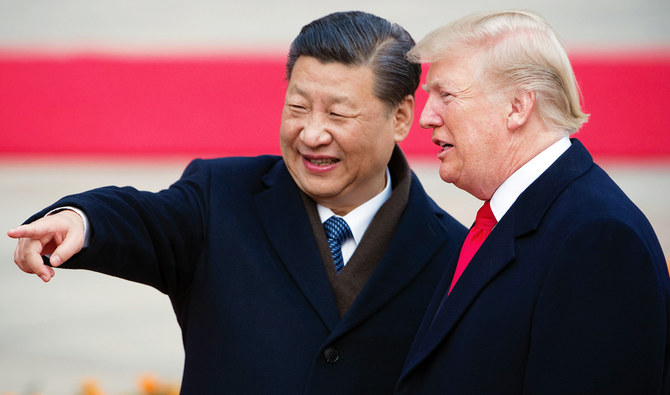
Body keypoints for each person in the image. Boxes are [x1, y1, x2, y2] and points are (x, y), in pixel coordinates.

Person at [7, 11, 466, 395]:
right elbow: (146, 219)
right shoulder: (221, 195)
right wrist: (81, 220)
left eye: (338, 113)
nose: (311, 134)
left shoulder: (453, 254)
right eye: (298, 107)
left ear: (401, 115)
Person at [395, 10, 670, 394]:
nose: (425, 117)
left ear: (517, 107)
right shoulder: (514, 216)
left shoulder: (598, 239)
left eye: (446, 95)